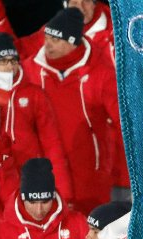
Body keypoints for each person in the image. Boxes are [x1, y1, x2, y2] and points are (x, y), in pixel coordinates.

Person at [23, 7, 117, 212]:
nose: (48, 44)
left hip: (91, 180)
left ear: (73, 42)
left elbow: (123, 123)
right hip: (45, 178)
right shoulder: (30, 70)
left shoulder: (100, 73)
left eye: (55, 40)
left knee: (97, 229)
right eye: (47, 37)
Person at [0, 33, 71, 213]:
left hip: (28, 177)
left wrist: (64, 192)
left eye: (13, 61)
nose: (9, 67)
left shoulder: (33, 94)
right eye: (3, 61)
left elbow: (52, 144)